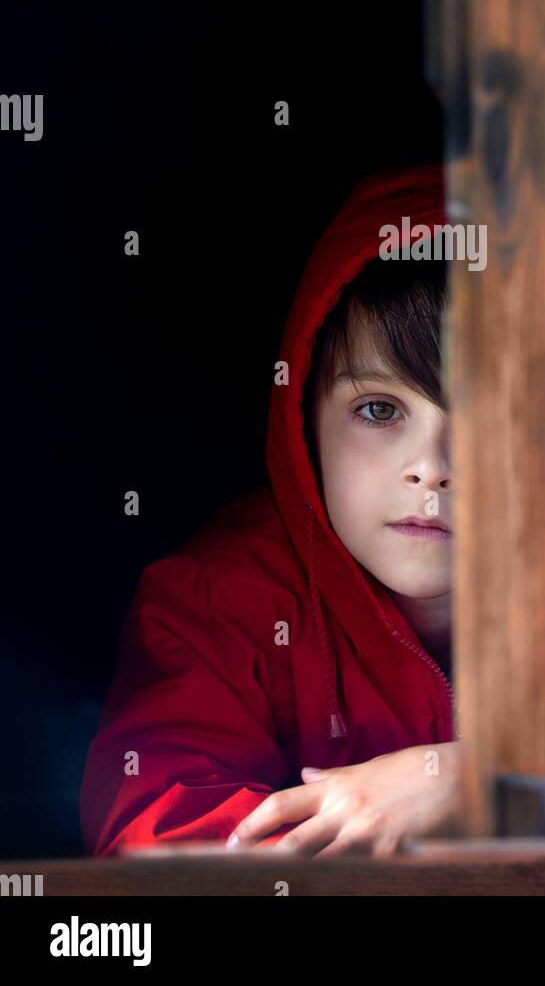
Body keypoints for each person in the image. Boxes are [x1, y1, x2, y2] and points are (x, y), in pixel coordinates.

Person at [79, 163, 460, 857]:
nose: (432, 468)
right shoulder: (219, 599)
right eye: (379, 410)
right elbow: (152, 828)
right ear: (305, 418)